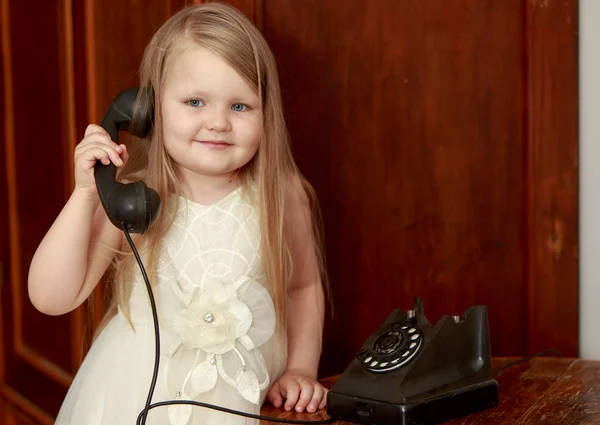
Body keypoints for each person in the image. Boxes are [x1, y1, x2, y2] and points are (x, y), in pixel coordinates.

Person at [27, 3, 330, 424]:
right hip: (136, 398)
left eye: (240, 106)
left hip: (242, 402)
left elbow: (302, 288)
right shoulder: (133, 196)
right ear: (147, 109)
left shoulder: (282, 195)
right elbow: (50, 298)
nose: (218, 122)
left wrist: (300, 369)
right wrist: (85, 194)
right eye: (195, 101)